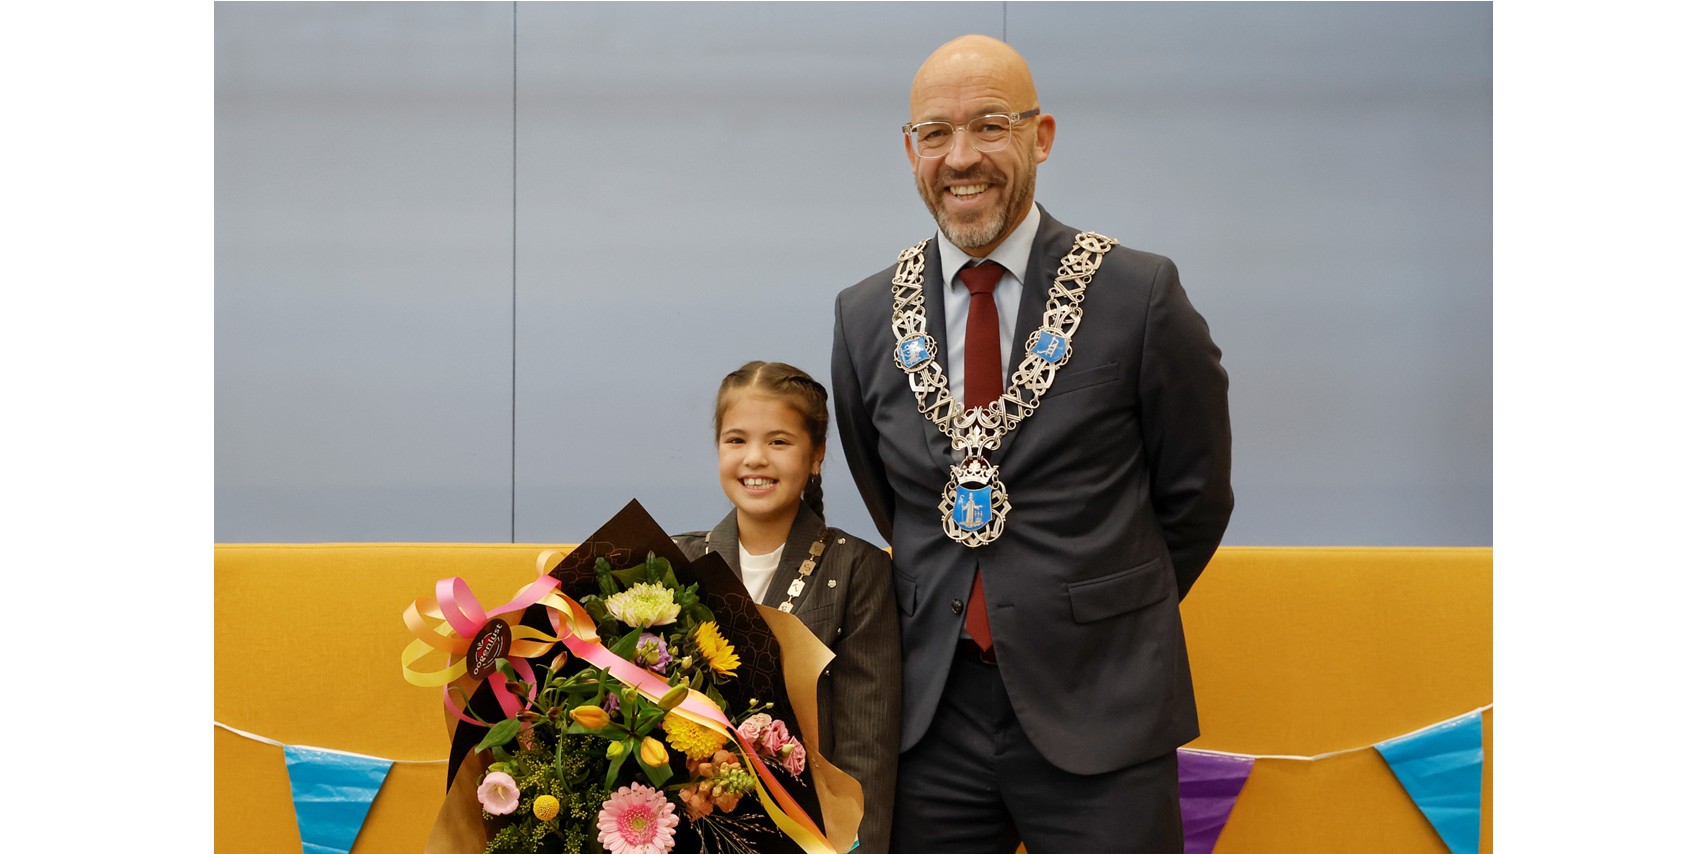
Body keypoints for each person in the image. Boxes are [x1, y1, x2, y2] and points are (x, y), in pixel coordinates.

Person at [829, 35, 1234, 853]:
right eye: (935, 133)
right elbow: (892, 499)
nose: (960, 157)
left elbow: (1195, 497)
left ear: (1040, 137)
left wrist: (1095, 614)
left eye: (989, 126)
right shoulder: (864, 314)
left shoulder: (1138, 294)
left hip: (1104, 706)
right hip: (928, 721)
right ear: (910, 151)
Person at [673, 360, 901, 854]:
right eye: (736, 440)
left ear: (817, 455)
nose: (755, 458)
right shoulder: (678, 561)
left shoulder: (859, 569)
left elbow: (868, 745)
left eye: (779, 442)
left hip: (810, 835)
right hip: (692, 829)